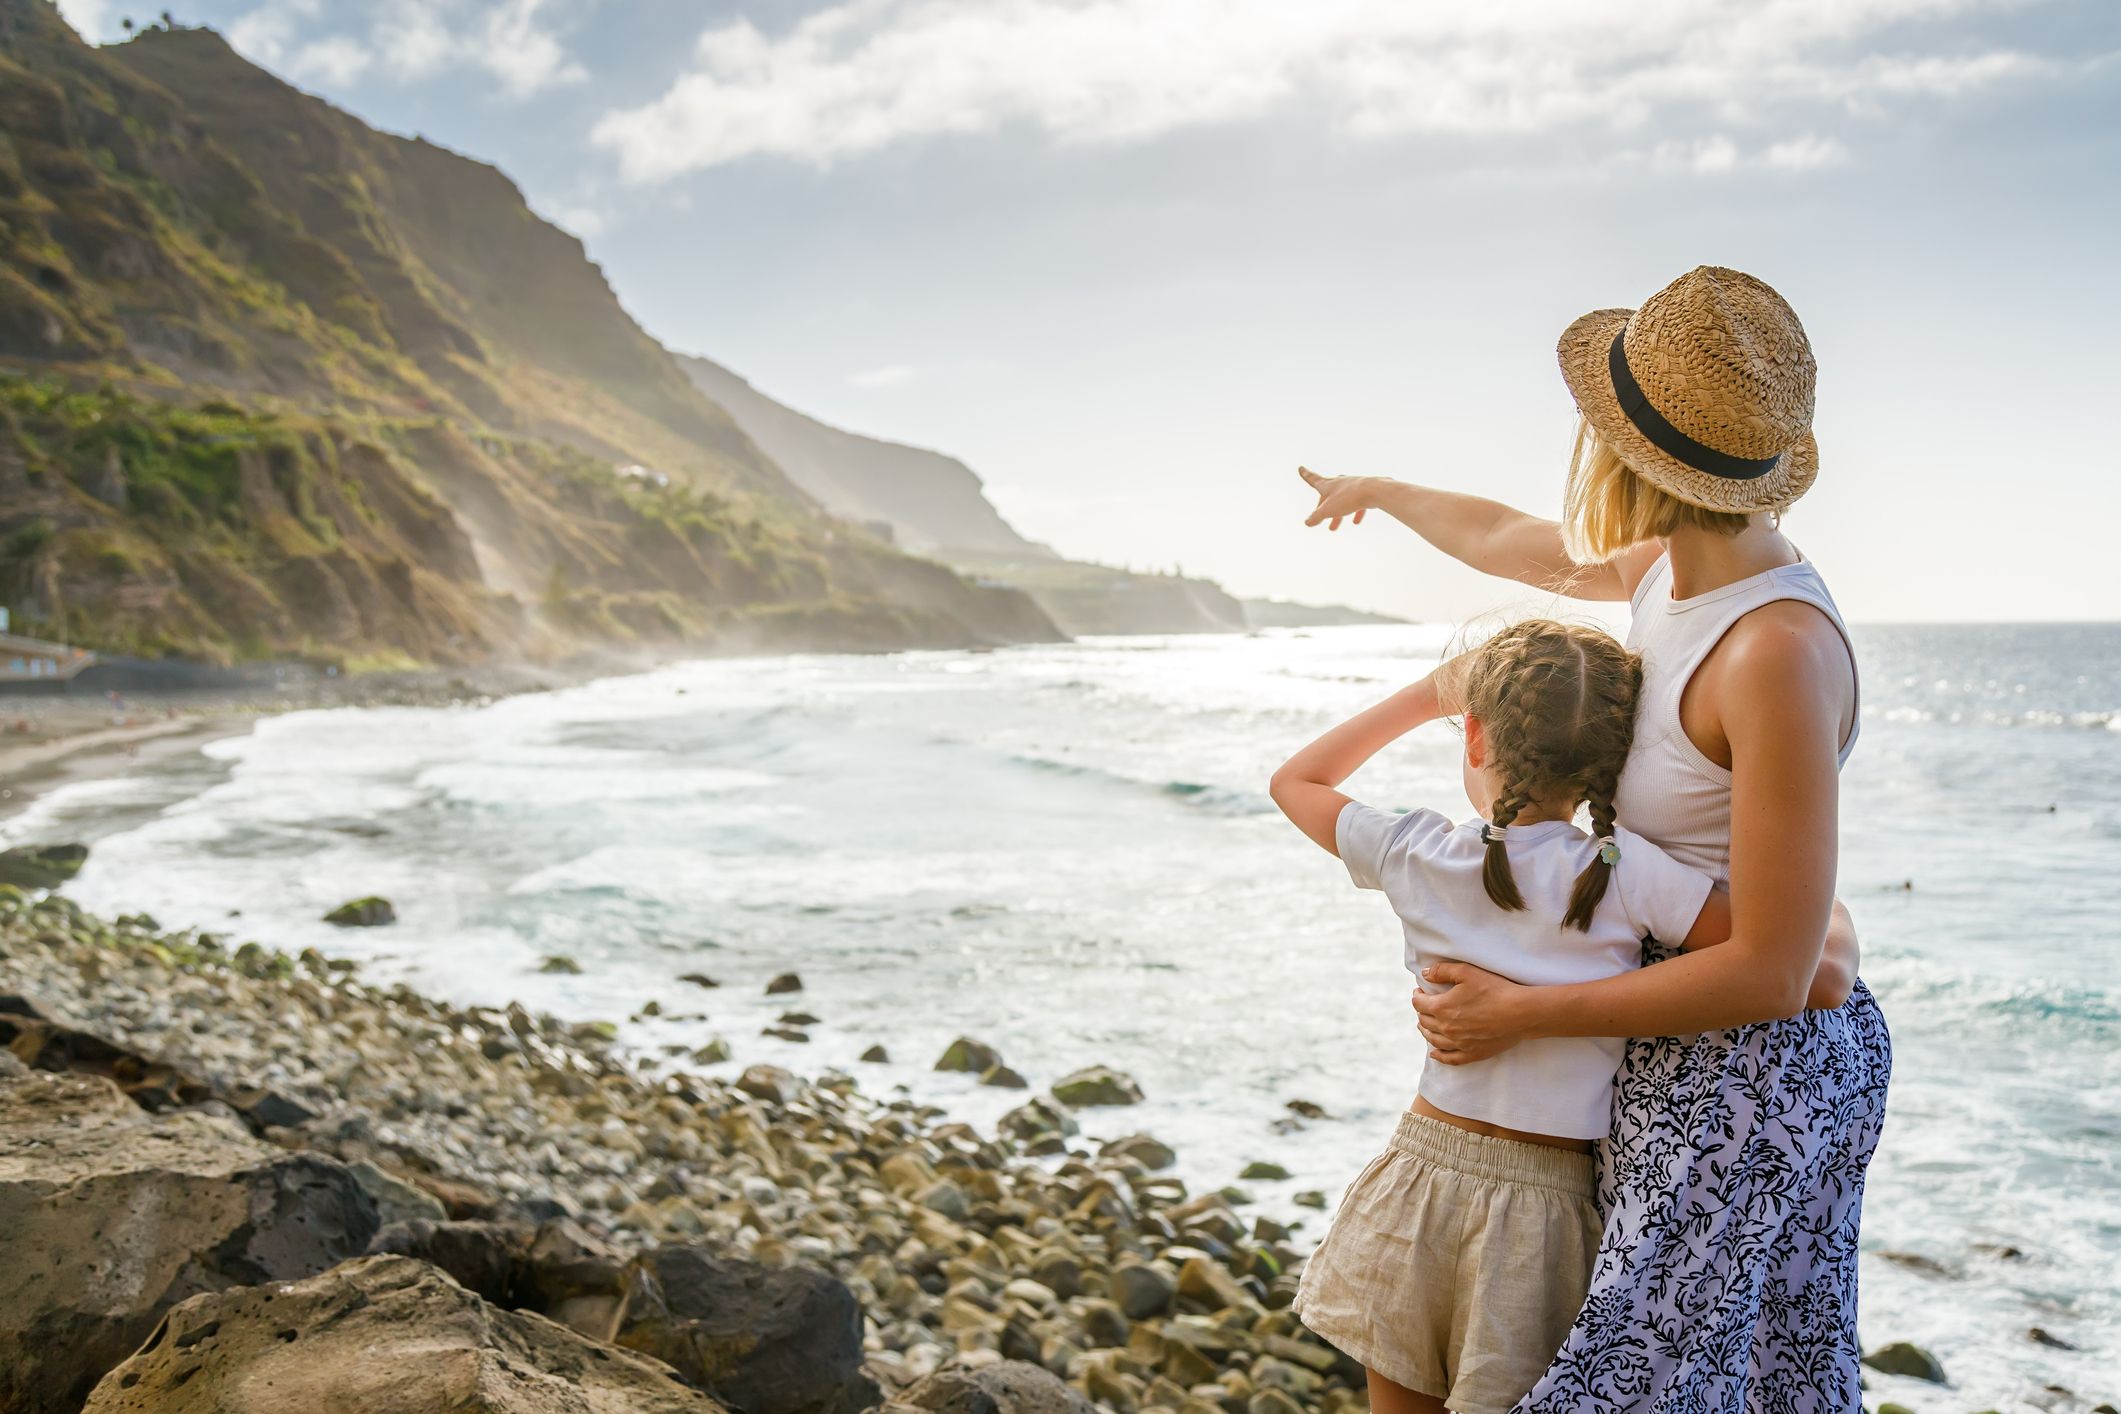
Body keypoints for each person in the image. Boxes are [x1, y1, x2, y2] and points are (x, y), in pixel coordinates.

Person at [1297, 266, 1891, 1412]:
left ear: (1631, 452)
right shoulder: (1671, 567)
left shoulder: (1773, 650)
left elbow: (1778, 968)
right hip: (1659, 1036)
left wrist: (1517, 1010)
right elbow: (1518, 541)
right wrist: (1381, 488)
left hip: (1746, 1078)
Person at [1271, 619, 1736, 1414]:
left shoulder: (1417, 852)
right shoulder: (1625, 874)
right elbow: (1757, 954)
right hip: (1546, 1207)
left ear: (1477, 738)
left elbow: (1296, 781)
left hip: (1419, 1171)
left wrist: (1429, 694)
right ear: (1607, 762)